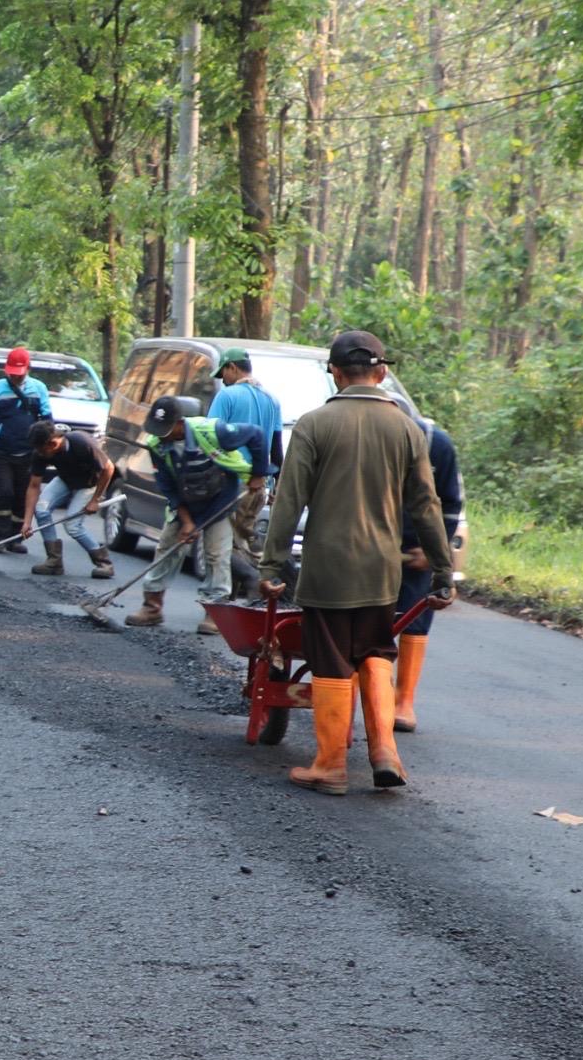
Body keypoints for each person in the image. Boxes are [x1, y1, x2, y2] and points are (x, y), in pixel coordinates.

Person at [256, 331, 453, 795]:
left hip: (329, 569)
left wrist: (270, 567)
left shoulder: (314, 424)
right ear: (382, 373)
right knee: (376, 654)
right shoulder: (407, 428)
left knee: (331, 662)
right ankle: (385, 752)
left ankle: (330, 765)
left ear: (336, 374)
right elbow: (427, 504)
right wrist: (443, 573)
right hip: (383, 571)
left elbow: (288, 500)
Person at [129, 396, 253, 630]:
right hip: (186, 502)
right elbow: (169, 490)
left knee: (216, 555)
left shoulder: (208, 433)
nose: (161, 434)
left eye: (166, 428)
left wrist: (262, 472)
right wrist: (186, 522)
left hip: (220, 501)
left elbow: (255, 434)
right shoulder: (157, 446)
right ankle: (152, 606)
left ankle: (214, 612)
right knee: (167, 547)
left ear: (180, 423)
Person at [383, 385, 464, 734]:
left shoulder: (438, 445)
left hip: (417, 546)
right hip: (372, 545)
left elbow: (450, 502)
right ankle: (372, 695)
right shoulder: (369, 443)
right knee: (369, 621)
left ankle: (404, 701)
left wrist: (434, 552)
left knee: (415, 616)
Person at [206, 346, 282, 595]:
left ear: (232, 368)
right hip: (259, 486)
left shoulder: (227, 397)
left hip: (233, 483)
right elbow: (276, 448)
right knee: (242, 544)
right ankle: (241, 601)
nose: (223, 381)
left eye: (223, 374)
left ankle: (223, 601)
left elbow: (211, 437)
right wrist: (276, 485)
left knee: (220, 545)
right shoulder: (272, 399)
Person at [0, 347, 49, 552]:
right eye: (13, 374)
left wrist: (44, 448)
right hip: (2, 451)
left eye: (20, 373)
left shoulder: (39, 389)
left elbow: (47, 421)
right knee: (4, 492)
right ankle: (0, 536)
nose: (16, 377)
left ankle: (15, 538)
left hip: (28, 453)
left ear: (28, 369)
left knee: (22, 495)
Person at [28, 418, 116, 579]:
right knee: (41, 510)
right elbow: (34, 486)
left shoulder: (81, 443)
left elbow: (108, 468)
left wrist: (95, 500)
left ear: (52, 444)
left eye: (42, 450)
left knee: (72, 525)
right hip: (66, 479)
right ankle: (54, 562)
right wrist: (27, 523)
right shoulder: (41, 451)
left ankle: (104, 563)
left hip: (89, 483)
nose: (40, 454)